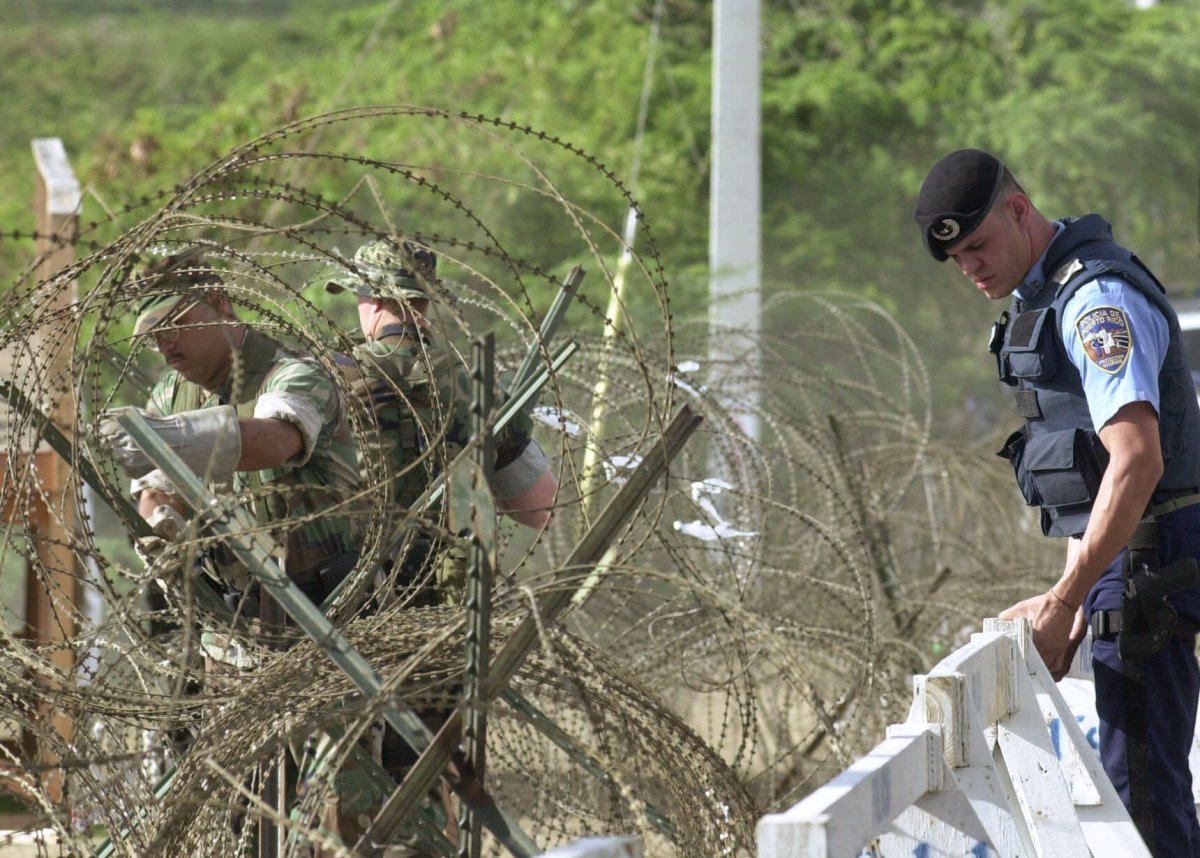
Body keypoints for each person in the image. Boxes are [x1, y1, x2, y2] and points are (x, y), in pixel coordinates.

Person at [915, 148, 1200, 856]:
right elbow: (1094, 475)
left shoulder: (1094, 301)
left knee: (1145, 800)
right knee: (1144, 787)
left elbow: (1137, 460)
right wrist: (1067, 590)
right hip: (1138, 557)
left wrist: (1068, 600)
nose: (972, 267)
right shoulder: (1049, 299)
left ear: (1019, 210)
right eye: (958, 260)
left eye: (979, 245)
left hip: (1153, 562)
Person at [98, 248, 374, 854]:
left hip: (325, 620)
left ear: (221, 305)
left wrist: (162, 442)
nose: (165, 347)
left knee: (343, 816)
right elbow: (154, 492)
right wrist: (162, 524)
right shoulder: (174, 392)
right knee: (245, 818)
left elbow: (275, 440)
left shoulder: (292, 370)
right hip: (234, 630)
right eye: (152, 338)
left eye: (175, 325)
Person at [324, 237, 558, 796]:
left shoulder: (333, 378)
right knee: (422, 777)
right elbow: (538, 507)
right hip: (449, 608)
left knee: (344, 780)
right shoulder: (480, 387)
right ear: (424, 303)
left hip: (352, 598)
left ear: (373, 301)